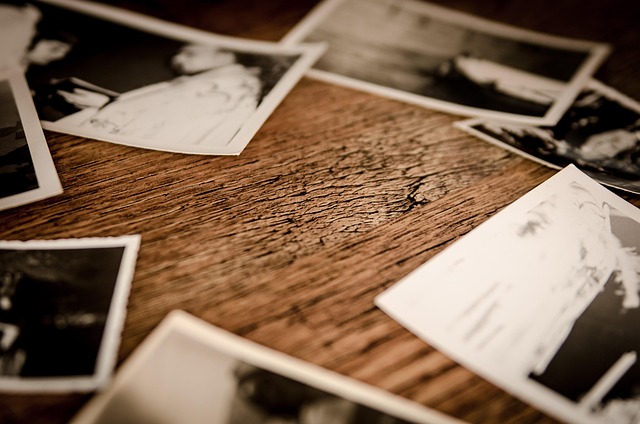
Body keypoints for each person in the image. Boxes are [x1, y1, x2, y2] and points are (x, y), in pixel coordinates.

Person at [57, 44, 262, 148]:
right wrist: (107, 103)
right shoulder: (218, 83)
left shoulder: (226, 86)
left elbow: (155, 122)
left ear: (226, 54)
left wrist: (109, 110)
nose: (177, 59)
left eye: (190, 52)